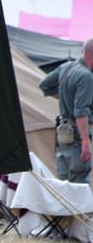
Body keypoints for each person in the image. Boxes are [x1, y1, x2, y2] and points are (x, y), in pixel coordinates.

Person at [39, 39, 93, 182]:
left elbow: (45, 85)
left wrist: (66, 98)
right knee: (79, 180)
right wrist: (85, 142)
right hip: (77, 136)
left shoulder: (66, 67)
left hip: (63, 134)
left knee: (64, 181)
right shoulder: (86, 76)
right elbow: (81, 112)